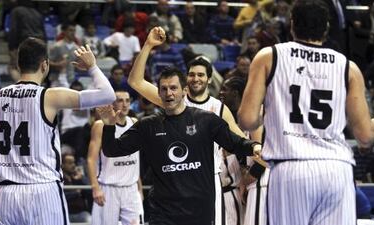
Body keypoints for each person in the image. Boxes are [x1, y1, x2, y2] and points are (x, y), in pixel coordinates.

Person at [237, 1, 374, 225]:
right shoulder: (348, 67)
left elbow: (247, 120)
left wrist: (266, 114)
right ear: (326, 28)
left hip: (290, 167)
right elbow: (365, 138)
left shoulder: (269, 56)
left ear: (292, 24)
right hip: (337, 168)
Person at [127, 27, 267, 224]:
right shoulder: (172, 98)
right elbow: (135, 81)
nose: (196, 78)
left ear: (209, 79)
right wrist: (148, 45)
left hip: (207, 181)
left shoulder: (218, 108)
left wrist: (257, 161)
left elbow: (239, 142)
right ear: (185, 81)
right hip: (174, 180)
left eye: (201, 75)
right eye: (192, 74)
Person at [0, 38, 116, 225]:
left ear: (18, 64)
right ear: (45, 65)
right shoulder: (49, 96)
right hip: (41, 191)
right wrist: (93, 67)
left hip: (3, 196)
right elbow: (107, 95)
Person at [97, 66, 261, 225]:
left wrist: (254, 146)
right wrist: (109, 126)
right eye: (164, 89)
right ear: (159, 93)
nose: (169, 93)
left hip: (200, 213)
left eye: (174, 88)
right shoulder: (148, 126)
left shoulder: (206, 120)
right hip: (163, 214)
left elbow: (235, 142)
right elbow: (113, 150)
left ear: (184, 91)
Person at [88, 89, 143, 225]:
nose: (124, 104)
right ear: (112, 104)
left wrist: (139, 188)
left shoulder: (135, 122)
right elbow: (91, 159)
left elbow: (135, 161)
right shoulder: (100, 125)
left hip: (131, 189)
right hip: (107, 188)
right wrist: (95, 187)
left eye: (127, 100)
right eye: (120, 100)